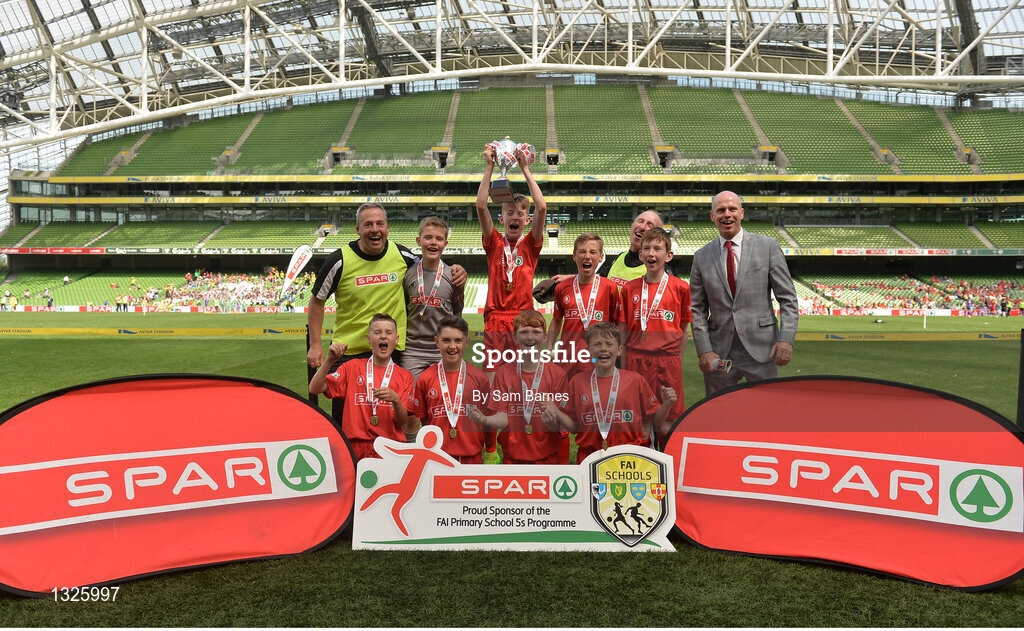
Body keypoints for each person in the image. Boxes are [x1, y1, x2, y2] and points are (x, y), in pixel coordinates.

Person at [307, 203, 467, 421]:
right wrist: (316, 345)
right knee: (346, 418)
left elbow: (432, 263)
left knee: (391, 417)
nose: (375, 229)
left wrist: (457, 270)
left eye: (380, 224)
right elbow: (317, 301)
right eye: (368, 224)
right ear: (357, 229)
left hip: (390, 350)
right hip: (350, 351)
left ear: (387, 228)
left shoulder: (403, 256)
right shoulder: (339, 260)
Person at [689, 191, 799, 395]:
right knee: (719, 414)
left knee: (768, 413)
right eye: (720, 210)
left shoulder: (768, 247)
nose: (727, 214)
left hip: (763, 351)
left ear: (742, 213)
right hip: (720, 353)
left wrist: (785, 339)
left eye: (732, 209)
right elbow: (697, 310)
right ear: (712, 216)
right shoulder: (701, 257)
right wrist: (704, 351)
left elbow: (788, 299)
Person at [544, 322, 676, 463]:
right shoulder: (577, 382)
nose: (603, 349)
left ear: (619, 350)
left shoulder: (635, 380)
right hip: (590, 457)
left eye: (609, 344)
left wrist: (666, 405)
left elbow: (657, 419)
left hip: (629, 457)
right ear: (588, 351)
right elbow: (575, 427)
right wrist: (556, 411)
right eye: (597, 344)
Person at [475, 143, 548, 366]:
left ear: (527, 220)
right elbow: (480, 206)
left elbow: (542, 207)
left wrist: (525, 169)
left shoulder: (531, 245)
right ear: (502, 219)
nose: (514, 217)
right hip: (496, 317)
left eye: (520, 214)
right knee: (494, 377)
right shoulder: (494, 242)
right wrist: (489, 167)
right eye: (509, 212)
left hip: (524, 319)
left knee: (524, 377)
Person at [309, 313, 418, 461]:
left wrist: (396, 400)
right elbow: (314, 388)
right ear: (368, 338)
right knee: (354, 484)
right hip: (355, 447)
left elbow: (402, 421)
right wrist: (330, 360)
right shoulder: (352, 367)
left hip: (390, 448)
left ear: (396, 339)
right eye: (377, 332)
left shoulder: (405, 376)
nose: (383, 336)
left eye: (388, 332)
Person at [466, 309, 568, 465]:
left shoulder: (557, 374)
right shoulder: (503, 373)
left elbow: (563, 426)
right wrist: (484, 419)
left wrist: (552, 422)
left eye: (536, 332)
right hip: (512, 460)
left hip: (548, 459)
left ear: (545, 337)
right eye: (524, 332)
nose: (530, 337)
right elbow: (503, 417)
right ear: (514, 337)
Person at [620, 227, 691, 434]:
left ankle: (668, 463)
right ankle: (642, 463)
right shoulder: (629, 289)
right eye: (647, 248)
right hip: (636, 359)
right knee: (640, 420)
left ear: (668, 255)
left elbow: (684, 329)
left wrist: (677, 360)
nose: (651, 253)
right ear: (640, 254)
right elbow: (622, 331)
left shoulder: (681, 288)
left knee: (667, 421)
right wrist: (624, 367)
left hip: (668, 361)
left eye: (657, 248)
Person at [409, 316, 493, 464]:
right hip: (436, 458)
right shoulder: (425, 378)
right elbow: (424, 419)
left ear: (466, 343)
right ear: (437, 341)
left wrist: (491, 450)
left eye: (458, 341)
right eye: (446, 340)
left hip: (471, 457)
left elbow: (488, 419)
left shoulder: (480, 378)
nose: (452, 346)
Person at [533, 211, 665, 302]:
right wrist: (572, 280)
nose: (642, 227)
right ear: (632, 226)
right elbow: (600, 280)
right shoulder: (620, 258)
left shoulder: (660, 270)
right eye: (640, 221)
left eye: (649, 225)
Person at [401, 217, 465, 380]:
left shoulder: (453, 276)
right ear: (418, 240)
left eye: (439, 238)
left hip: (442, 351)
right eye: (428, 237)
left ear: (445, 244)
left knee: (442, 400)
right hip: (412, 353)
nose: (433, 242)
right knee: (413, 401)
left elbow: (457, 314)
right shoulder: (407, 274)